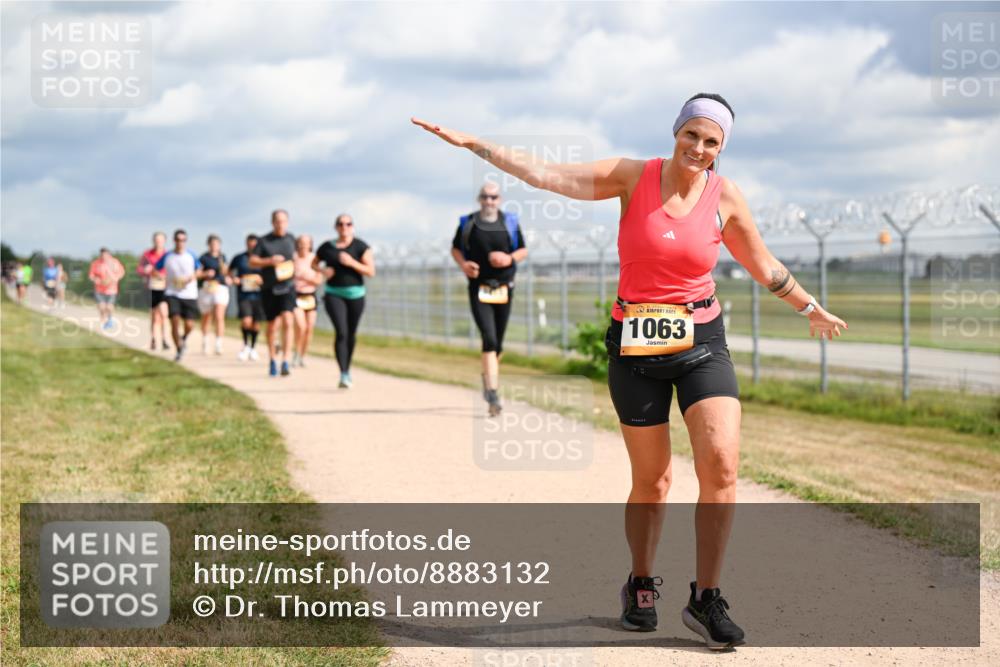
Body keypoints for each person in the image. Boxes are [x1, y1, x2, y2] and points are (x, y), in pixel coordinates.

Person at [413, 95, 848, 650]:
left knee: (721, 465)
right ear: (676, 131)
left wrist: (809, 307)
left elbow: (763, 264)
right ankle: (641, 584)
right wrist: (475, 143)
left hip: (702, 341)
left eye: (711, 141)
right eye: (692, 134)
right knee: (654, 480)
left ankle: (706, 596)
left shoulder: (725, 196)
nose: (699, 148)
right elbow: (547, 174)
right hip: (635, 347)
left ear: (721, 148)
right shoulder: (631, 177)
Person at [450, 182, 527, 416]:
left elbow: (523, 250)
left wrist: (508, 259)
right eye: (485, 197)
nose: (489, 201)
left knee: (498, 344)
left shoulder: (509, 222)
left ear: (499, 199)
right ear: (479, 199)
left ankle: (488, 378)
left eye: (493, 197)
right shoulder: (468, 223)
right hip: (479, 288)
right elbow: (455, 249)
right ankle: (493, 393)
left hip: (504, 287)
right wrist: (464, 265)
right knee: (489, 338)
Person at [313, 213, 375, 388]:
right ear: (336, 227)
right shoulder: (327, 247)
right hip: (334, 293)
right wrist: (323, 271)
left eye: (348, 224)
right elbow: (313, 263)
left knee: (351, 333)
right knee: (341, 332)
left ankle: (348, 368)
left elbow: (370, 271)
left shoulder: (361, 246)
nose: (344, 227)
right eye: (340, 224)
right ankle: (343, 373)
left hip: (356, 295)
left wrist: (351, 262)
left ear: (352, 226)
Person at [249, 209, 297, 377]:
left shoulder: (291, 239)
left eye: (283, 221)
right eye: (277, 221)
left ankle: (286, 360)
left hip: (288, 287)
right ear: (272, 222)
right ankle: (272, 359)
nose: (280, 224)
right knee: (272, 325)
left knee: (288, 320)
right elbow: (252, 261)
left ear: (287, 222)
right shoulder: (264, 241)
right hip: (270, 288)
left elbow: (297, 258)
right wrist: (270, 261)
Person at [155, 229, 200, 361]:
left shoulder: (191, 255)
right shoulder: (167, 256)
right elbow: (155, 270)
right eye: (178, 240)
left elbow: (199, 270)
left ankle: (183, 338)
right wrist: (162, 277)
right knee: (174, 321)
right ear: (174, 241)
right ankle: (179, 349)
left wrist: (191, 277)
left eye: (183, 240)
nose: (181, 242)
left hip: (189, 293)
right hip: (172, 293)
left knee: (189, 324)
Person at [229, 234, 265, 361]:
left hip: (259, 295)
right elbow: (229, 272)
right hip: (244, 295)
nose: (252, 247)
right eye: (250, 245)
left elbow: (270, 274)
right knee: (246, 321)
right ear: (246, 244)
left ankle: (253, 348)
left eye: (254, 245)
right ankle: (245, 345)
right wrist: (234, 279)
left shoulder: (263, 259)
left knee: (256, 324)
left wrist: (263, 280)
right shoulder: (239, 258)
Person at [292, 234, 323, 367]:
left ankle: (302, 356)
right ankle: (296, 352)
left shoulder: (314, 259)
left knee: (309, 328)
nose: (303, 245)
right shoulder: (293, 258)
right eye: (301, 243)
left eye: (306, 243)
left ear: (310, 244)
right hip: (296, 295)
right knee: (301, 326)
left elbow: (319, 280)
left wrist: (305, 277)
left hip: (310, 296)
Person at [197, 234, 230, 355]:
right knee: (206, 316)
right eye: (212, 244)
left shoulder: (223, 257)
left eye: (216, 244)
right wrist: (205, 274)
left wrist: (227, 275)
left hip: (220, 287)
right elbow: (197, 273)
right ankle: (205, 341)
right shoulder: (203, 258)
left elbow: (226, 272)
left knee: (219, 315)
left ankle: (218, 343)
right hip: (207, 288)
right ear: (208, 245)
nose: (214, 246)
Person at [138, 231, 170, 351]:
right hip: (151, 288)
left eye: (161, 240)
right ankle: (153, 339)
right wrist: (145, 270)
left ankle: (164, 339)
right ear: (153, 241)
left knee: (164, 313)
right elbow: (139, 269)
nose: (158, 242)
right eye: (156, 240)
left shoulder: (168, 255)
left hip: (164, 288)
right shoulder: (147, 254)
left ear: (164, 241)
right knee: (154, 316)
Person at [88, 248, 125, 331]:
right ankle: (103, 321)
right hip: (99, 289)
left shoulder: (115, 262)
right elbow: (91, 275)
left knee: (109, 307)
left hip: (112, 289)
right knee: (102, 307)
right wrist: (96, 279)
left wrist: (115, 278)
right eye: (102, 255)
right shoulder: (96, 263)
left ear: (109, 254)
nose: (103, 256)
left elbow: (121, 272)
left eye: (105, 254)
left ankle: (110, 319)